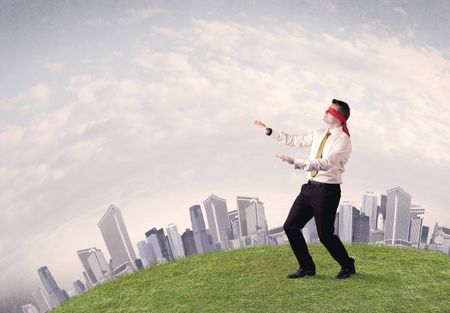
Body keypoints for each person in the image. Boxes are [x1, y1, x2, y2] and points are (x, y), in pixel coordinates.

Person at [254, 99, 355, 279]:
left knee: (325, 235)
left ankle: (347, 265)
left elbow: (327, 163)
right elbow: (294, 140)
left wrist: (296, 162)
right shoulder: (319, 134)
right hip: (308, 189)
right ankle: (307, 267)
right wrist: (269, 131)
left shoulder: (344, 141)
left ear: (339, 117)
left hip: (327, 192)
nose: (325, 112)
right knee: (291, 226)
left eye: (330, 111)